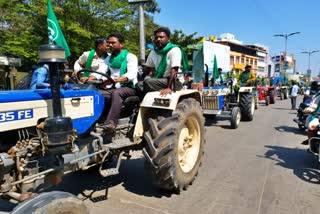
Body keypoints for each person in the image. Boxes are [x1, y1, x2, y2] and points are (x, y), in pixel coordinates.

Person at [99, 32, 138, 131]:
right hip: (114, 86)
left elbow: (131, 74)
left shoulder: (130, 57)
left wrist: (115, 80)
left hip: (129, 87)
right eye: (109, 43)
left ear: (121, 44)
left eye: (113, 43)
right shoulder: (108, 58)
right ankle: (97, 120)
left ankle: (111, 124)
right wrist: (90, 77)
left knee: (117, 93)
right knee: (97, 93)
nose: (110, 45)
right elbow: (100, 71)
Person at [143, 27, 189, 96]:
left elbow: (174, 70)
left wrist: (169, 88)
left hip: (175, 82)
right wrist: (139, 79)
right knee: (139, 85)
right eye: (156, 38)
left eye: (161, 37)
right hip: (160, 80)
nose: (158, 39)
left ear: (168, 39)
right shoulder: (153, 52)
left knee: (148, 82)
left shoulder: (174, 50)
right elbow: (147, 68)